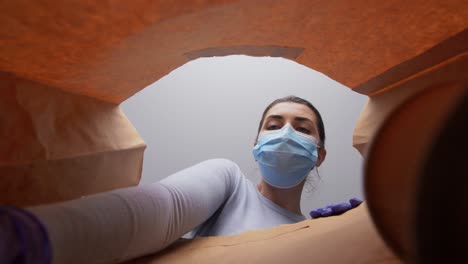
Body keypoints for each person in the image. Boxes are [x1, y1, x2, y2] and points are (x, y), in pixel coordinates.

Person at [1, 96, 359, 264]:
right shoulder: (231, 183)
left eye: (302, 128)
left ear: (319, 155)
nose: (285, 133)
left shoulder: (318, 233)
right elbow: (163, 209)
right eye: (274, 124)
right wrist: (35, 235)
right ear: (256, 144)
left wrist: (359, 236)